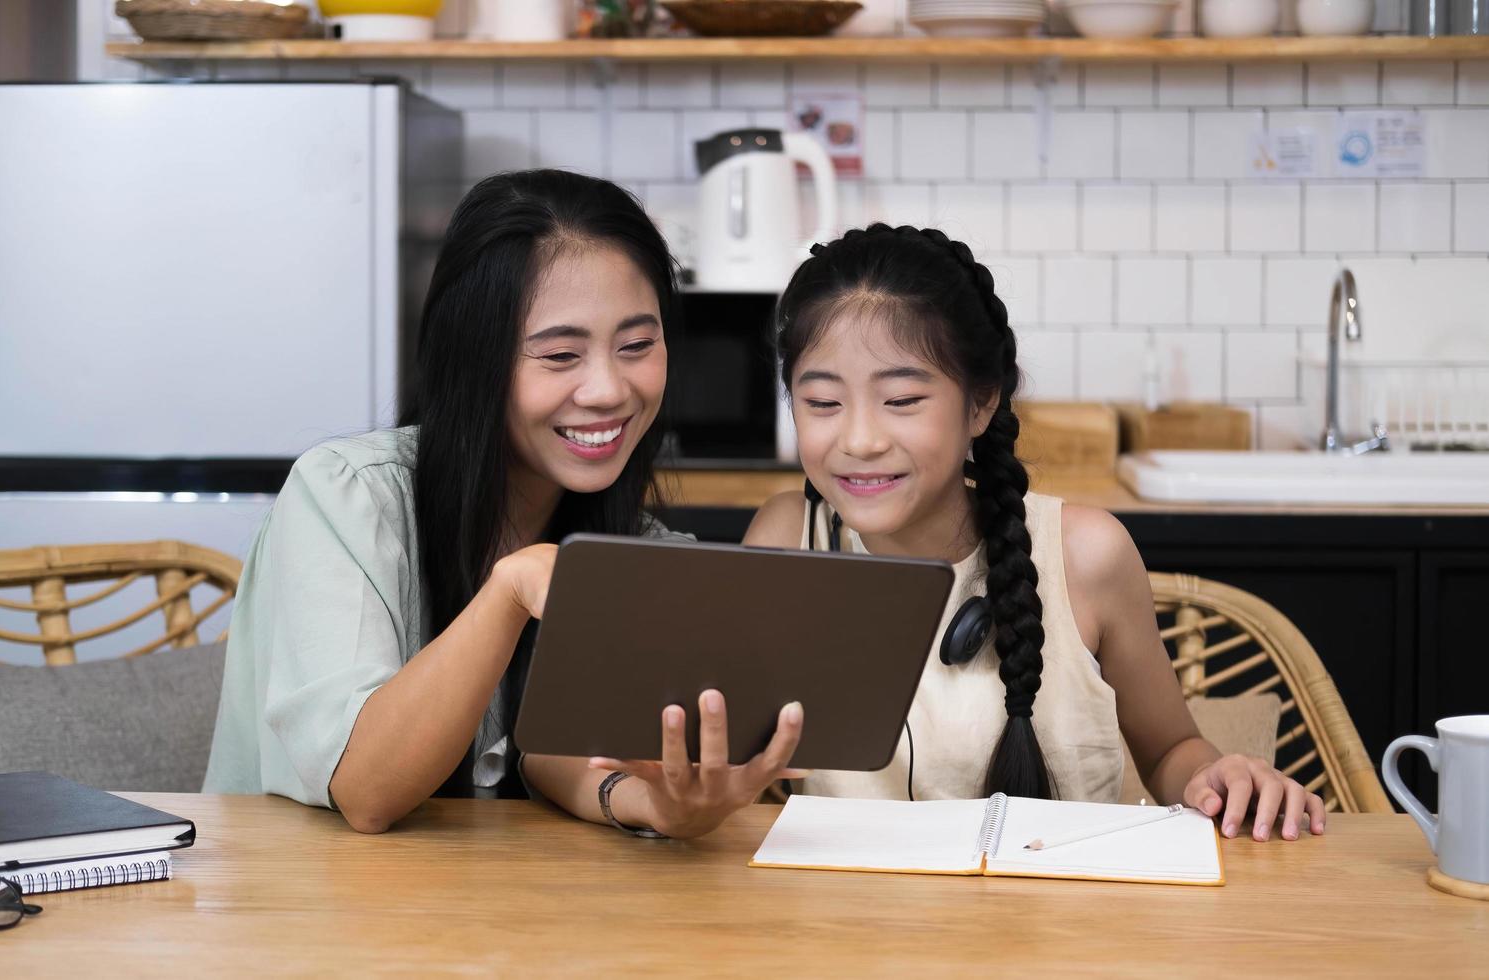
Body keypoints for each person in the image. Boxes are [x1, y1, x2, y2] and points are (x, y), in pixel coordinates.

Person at [205, 170, 802, 837]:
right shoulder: (346, 496)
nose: (607, 389)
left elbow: (571, 756)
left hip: (507, 922)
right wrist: (507, 593)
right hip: (291, 915)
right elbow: (367, 791)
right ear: (475, 359)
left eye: (636, 346)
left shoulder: (640, 550)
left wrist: (654, 804)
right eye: (560, 355)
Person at [743, 224, 1325, 843]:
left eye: (904, 399)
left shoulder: (1085, 555)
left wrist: (1219, 775)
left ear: (982, 403)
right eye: (823, 404)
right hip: (850, 928)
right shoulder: (787, 538)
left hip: (1063, 927)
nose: (859, 440)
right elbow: (727, 769)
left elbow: (1170, 751)